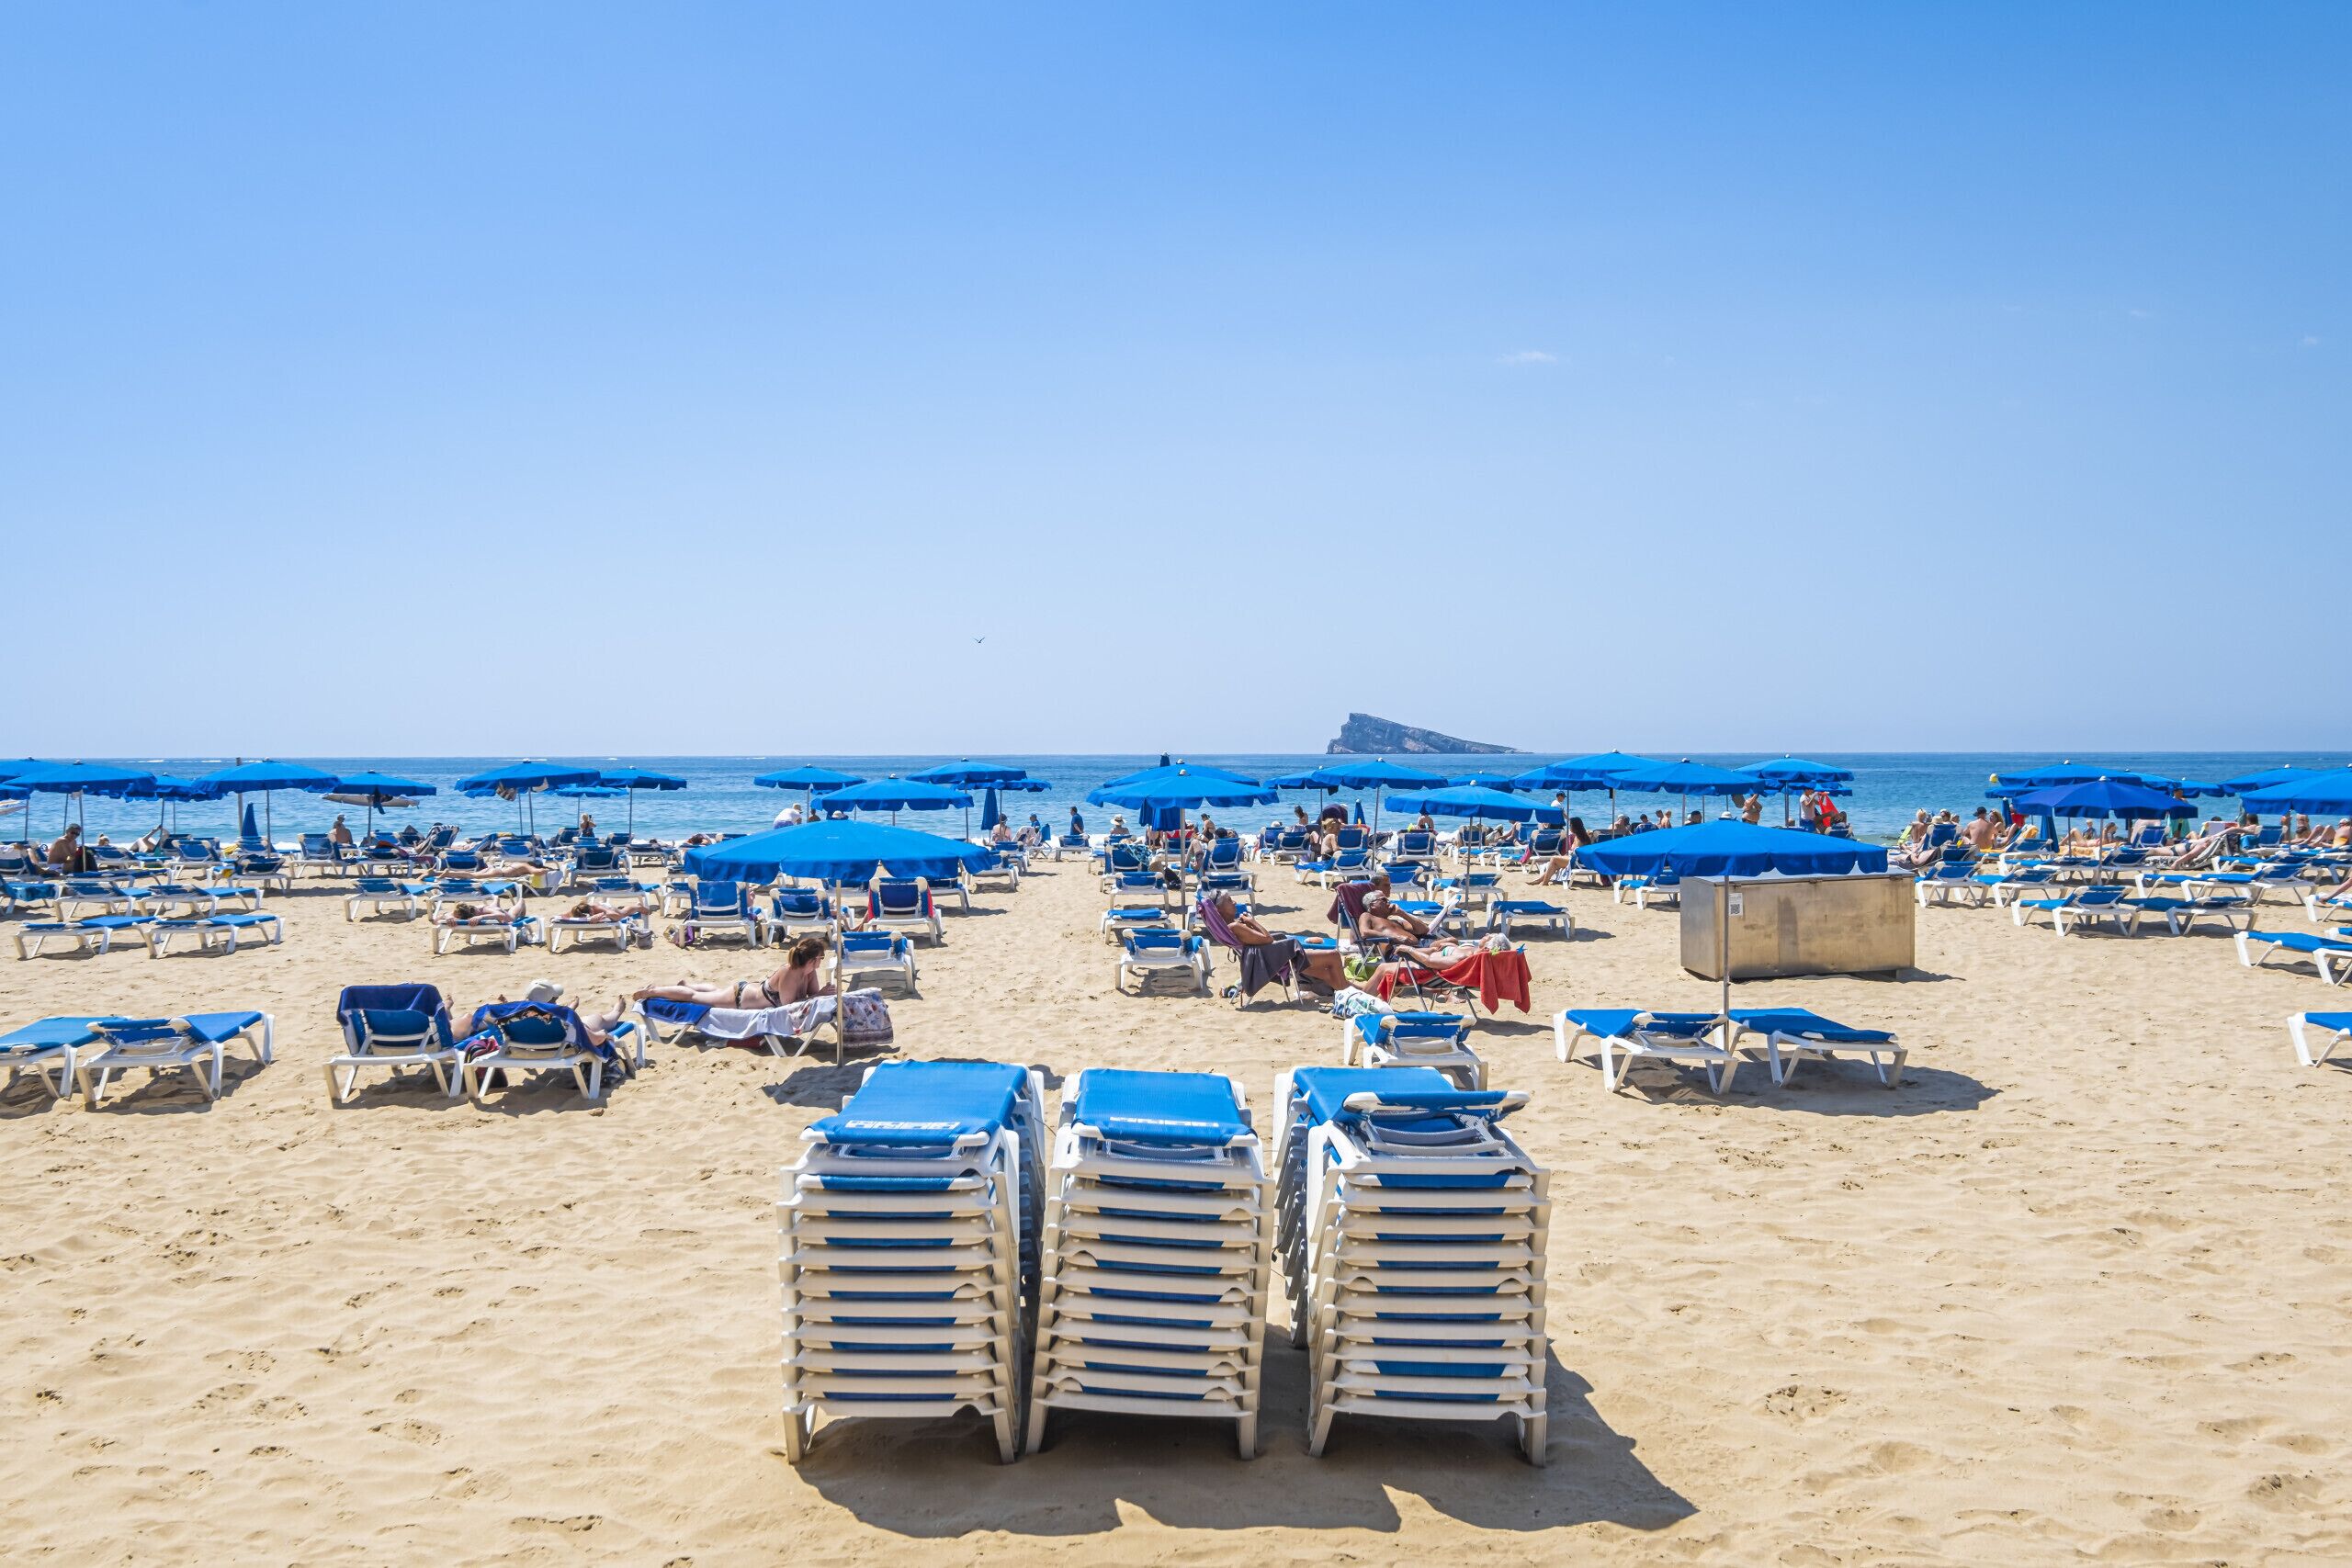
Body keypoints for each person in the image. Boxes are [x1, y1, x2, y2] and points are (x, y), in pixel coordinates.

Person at [632, 934, 836, 1012]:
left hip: (747, 991)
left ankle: (686, 984)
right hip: (740, 998)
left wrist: (820, 994)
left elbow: (811, 997)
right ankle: (652, 992)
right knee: (696, 999)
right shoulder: (790, 972)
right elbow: (788, 1005)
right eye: (821, 958)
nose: (822, 961)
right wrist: (819, 995)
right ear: (812, 959)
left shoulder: (809, 972)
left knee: (713, 992)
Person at [1208, 892, 1350, 996]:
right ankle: (1349, 995)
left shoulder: (1229, 928)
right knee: (1334, 955)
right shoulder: (1234, 927)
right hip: (1281, 959)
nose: (1234, 902)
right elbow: (1267, 939)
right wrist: (1252, 921)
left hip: (1272, 959)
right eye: (1229, 900)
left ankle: (1356, 991)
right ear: (1219, 909)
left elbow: (1258, 942)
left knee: (1327, 974)